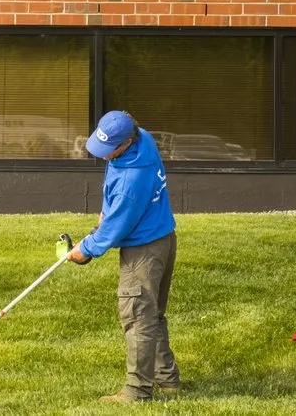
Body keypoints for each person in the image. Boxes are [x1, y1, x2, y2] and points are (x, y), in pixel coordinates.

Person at [66, 110, 180, 403]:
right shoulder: (145, 140)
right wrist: (106, 209)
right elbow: (114, 202)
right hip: (163, 238)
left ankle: (137, 391)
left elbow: (115, 229)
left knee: (137, 317)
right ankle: (167, 380)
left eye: (109, 149)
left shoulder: (133, 179)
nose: (104, 156)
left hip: (144, 251)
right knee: (152, 314)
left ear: (127, 142)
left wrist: (85, 250)